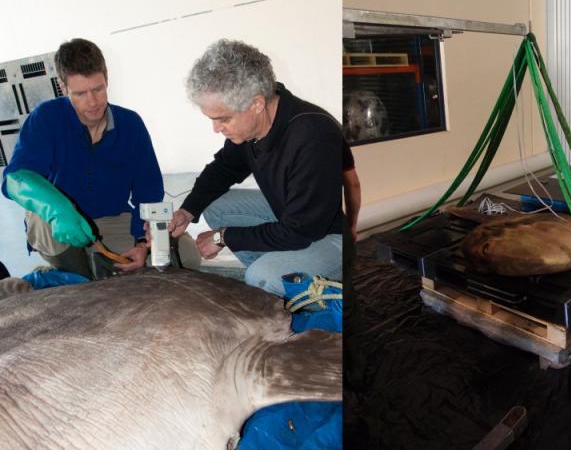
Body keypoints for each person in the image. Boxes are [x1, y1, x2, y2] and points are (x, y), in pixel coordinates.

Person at [169, 39, 345, 296]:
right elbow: (224, 169)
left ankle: (285, 287)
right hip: (293, 220)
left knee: (261, 277)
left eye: (223, 119)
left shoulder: (313, 137)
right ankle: (285, 280)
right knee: (215, 204)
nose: (216, 128)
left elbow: (298, 232)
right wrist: (187, 210)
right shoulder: (254, 128)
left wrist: (223, 237)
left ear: (257, 104)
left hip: (334, 238)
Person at [1, 38, 164, 278]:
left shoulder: (131, 124)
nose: (92, 102)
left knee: (183, 252)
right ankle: (77, 276)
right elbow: (15, 179)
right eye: (79, 93)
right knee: (40, 218)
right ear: (62, 87)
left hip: (111, 219)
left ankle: (82, 273)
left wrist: (142, 243)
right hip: (59, 224)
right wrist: (58, 209)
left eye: (98, 89)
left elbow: (148, 191)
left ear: (106, 79)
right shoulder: (46, 118)